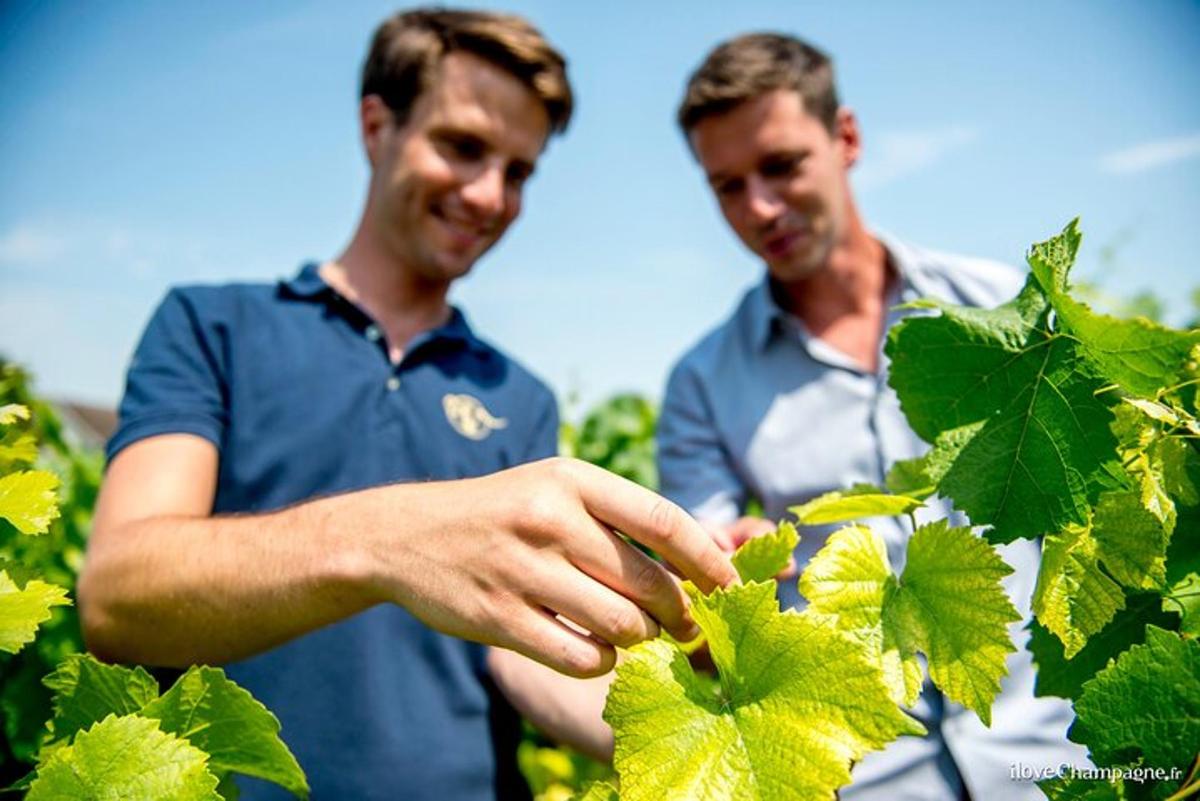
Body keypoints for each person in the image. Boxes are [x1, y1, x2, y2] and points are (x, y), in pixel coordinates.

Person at [78, 9, 736, 800]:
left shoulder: (514, 395)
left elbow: (519, 655)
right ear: (375, 125)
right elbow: (119, 595)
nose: (489, 193)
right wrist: (387, 540)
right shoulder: (213, 326)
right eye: (463, 146)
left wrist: (700, 704)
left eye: (519, 170)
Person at [657, 32, 1087, 800]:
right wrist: (723, 564)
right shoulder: (700, 381)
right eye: (727, 185)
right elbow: (703, 592)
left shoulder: (997, 307)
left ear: (845, 138)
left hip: (1060, 751)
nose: (760, 207)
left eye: (782, 165)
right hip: (868, 777)